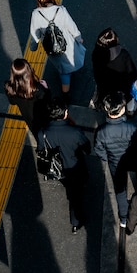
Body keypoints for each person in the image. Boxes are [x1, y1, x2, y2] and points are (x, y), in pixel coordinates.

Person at [94, 91, 137, 227]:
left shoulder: (101, 131)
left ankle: (123, 218)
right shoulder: (131, 128)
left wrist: (108, 158)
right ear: (121, 110)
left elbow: (99, 150)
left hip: (115, 163)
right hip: (134, 159)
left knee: (120, 190)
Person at [38, 97, 91, 234]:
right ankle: (76, 221)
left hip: (58, 167)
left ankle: (76, 222)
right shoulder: (74, 132)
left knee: (73, 192)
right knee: (76, 196)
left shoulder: (43, 132)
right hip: (74, 167)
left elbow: (41, 149)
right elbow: (87, 148)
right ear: (65, 113)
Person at [29, 0, 86, 101]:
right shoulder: (61, 10)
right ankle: (68, 86)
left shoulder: (36, 14)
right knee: (71, 61)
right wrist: (78, 38)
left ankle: (66, 94)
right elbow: (72, 27)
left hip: (51, 47)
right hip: (66, 44)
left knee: (63, 69)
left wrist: (33, 47)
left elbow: (35, 34)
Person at [4, 58, 52, 139]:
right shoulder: (38, 89)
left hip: (29, 119)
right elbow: (48, 102)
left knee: (38, 136)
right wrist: (46, 89)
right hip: (44, 118)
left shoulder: (10, 88)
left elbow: (12, 102)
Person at [91, 28, 137, 109]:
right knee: (126, 101)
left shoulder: (96, 54)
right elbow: (132, 72)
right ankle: (129, 111)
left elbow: (97, 73)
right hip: (122, 86)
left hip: (105, 87)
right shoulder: (123, 54)